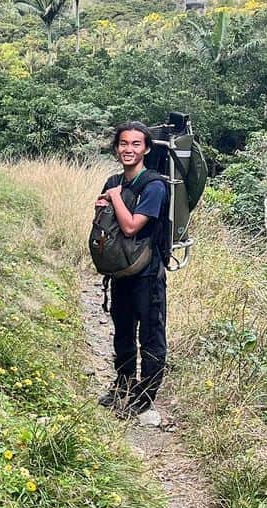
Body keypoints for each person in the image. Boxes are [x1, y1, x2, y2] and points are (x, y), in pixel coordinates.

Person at [95, 122, 168, 418]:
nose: (129, 149)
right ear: (116, 148)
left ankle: (145, 396)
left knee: (150, 334)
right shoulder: (113, 180)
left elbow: (129, 226)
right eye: (124, 144)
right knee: (123, 330)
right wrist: (103, 202)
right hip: (120, 271)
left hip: (147, 272)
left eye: (136, 144)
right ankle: (123, 384)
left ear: (146, 149)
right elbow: (103, 225)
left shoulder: (155, 186)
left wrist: (112, 198)